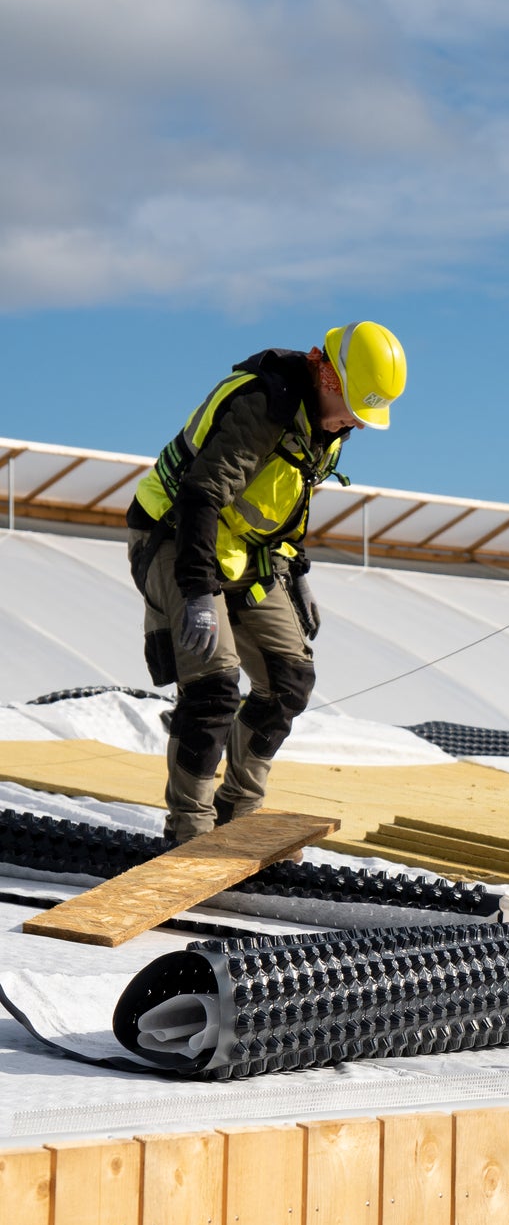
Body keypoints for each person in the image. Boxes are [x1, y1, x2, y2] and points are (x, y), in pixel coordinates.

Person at [127, 322, 406, 842]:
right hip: (177, 537)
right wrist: (198, 594)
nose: (357, 424)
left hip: (247, 554)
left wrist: (296, 573)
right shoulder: (264, 405)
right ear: (328, 377)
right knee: (213, 686)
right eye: (353, 408)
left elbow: (283, 505)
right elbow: (201, 497)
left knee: (289, 681)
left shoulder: (326, 428)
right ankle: (190, 829)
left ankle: (238, 812)